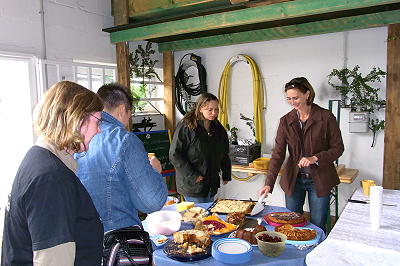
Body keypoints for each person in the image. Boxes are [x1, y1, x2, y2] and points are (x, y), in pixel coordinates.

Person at [1, 81, 104, 266]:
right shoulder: (51, 178)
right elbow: (53, 261)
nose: (99, 130)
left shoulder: (37, 158)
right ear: (78, 120)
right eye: (97, 121)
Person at [75, 83, 168, 232]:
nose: (127, 121)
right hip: (118, 237)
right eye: (129, 115)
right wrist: (155, 172)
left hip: (84, 234)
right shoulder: (124, 140)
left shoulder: (77, 136)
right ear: (122, 109)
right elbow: (151, 202)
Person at [258, 77, 344, 232]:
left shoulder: (326, 117)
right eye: (289, 99)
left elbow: (338, 148)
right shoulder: (286, 121)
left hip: (320, 179)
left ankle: (315, 255)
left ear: (307, 94)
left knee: (318, 226)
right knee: (290, 225)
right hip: (294, 180)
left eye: (296, 98)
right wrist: (268, 183)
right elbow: (278, 154)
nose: (292, 102)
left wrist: (315, 158)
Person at [169, 92, 231, 203]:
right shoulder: (186, 126)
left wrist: (226, 173)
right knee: (197, 216)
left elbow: (224, 151)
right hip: (192, 184)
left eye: (216, 109)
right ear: (201, 108)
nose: (214, 113)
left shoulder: (217, 128)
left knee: (207, 215)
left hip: (210, 183)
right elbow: (175, 154)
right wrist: (193, 175)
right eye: (210, 110)